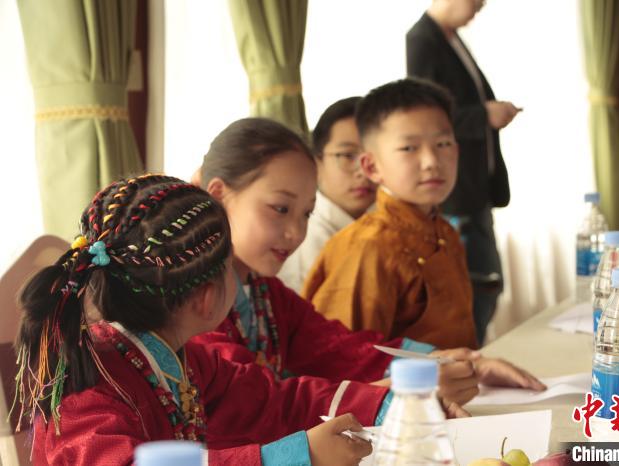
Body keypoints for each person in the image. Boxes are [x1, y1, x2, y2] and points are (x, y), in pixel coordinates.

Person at [15, 174, 386, 465]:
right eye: (229, 265)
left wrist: (386, 403)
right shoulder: (87, 385)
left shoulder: (186, 361)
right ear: (207, 297)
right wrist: (292, 456)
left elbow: (274, 401)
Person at [192, 117, 482, 409]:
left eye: (306, 214)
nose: (296, 233)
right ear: (219, 196)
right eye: (280, 208)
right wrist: (400, 391)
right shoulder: (195, 299)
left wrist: (436, 360)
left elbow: (339, 348)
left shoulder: (266, 292)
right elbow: (253, 402)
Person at [303, 79, 543, 391]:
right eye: (409, 148)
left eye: (443, 144)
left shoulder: (445, 232)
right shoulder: (367, 247)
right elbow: (340, 369)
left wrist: (475, 367)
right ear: (372, 166)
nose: (431, 162)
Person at [407, 0, 521, 345]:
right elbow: (427, 116)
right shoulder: (422, 39)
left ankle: (473, 358)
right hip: (457, 194)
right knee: (477, 289)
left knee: (486, 285)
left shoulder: (450, 37)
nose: (481, 6)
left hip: (475, 188)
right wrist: (484, 115)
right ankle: (470, 363)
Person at [278, 97, 376, 293]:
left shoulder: (386, 222)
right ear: (317, 163)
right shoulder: (306, 239)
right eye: (348, 155)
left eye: (375, 156)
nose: (363, 171)